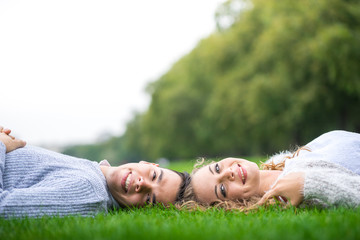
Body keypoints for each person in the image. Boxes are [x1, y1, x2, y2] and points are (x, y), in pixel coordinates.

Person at [0, 126, 189, 218]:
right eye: (154, 176)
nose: (143, 184)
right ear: (149, 164)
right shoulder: (94, 172)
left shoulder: (89, 192)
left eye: (149, 199)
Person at [183, 130, 360, 210]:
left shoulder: (280, 162)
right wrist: (309, 184)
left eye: (217, 168)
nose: (226, 174)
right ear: (233, 204)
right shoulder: (295, 193)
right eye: (222, 189)